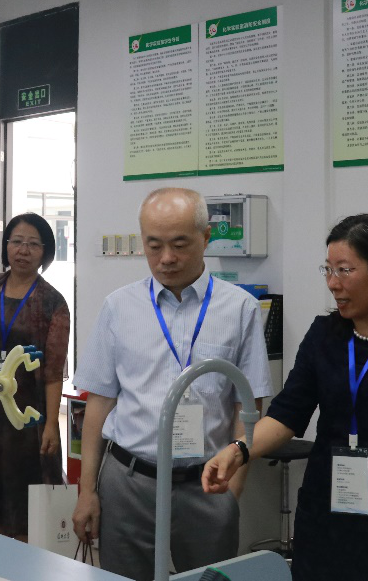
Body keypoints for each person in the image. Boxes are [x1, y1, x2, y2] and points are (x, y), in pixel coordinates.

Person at [202, 213, 368, 581]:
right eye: (328, 270)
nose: (332, 283)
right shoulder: (324, 334)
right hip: (326, 515)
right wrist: (238, 450)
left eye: (344, 270)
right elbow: (286, 415)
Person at [71, 188, 272, 581]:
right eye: (154, 245)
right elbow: (98, 404)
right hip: (129, 482)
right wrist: (87, 491)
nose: (166, 258)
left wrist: (233, 492)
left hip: (207, 484)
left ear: (206, 237)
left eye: (179, 245)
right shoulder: (118, 307)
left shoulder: (239, 308)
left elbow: (248, 408)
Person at [0, 212, 70, 540]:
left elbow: (54, 371)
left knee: (26, 508)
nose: (23, 250)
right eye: (17, 242)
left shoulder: (52, 302)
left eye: (33, 244)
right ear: (6, 246)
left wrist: (51, 425)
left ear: (45, 251)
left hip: (27, 417)